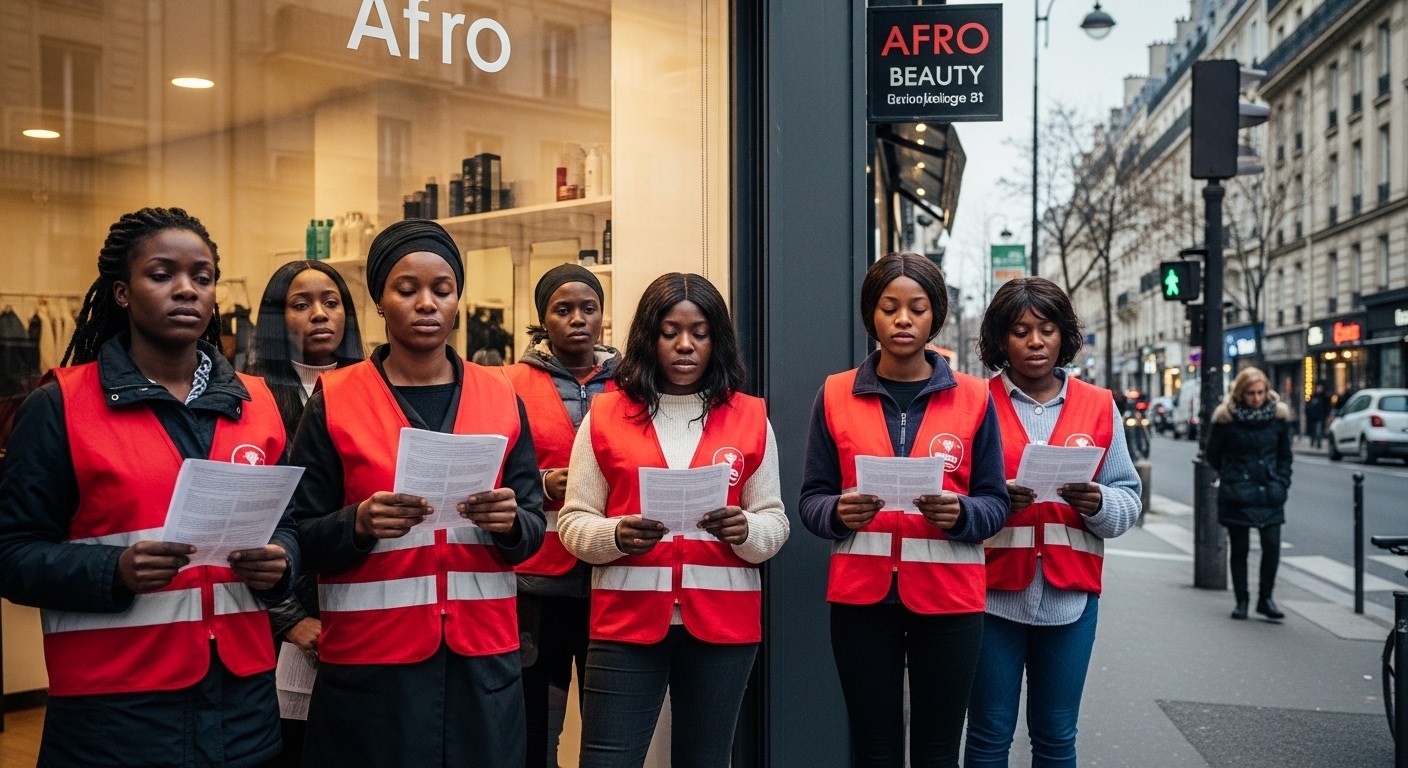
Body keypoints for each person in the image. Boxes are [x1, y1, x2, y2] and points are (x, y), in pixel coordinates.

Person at [0, 207, 296, 767]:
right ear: (121, 292)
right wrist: (112, 570)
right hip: (115, 716)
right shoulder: (60, 406)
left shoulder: (258, 403)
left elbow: (289, 525)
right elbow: (11, 554)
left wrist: (283, 561)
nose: (186, 290)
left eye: (202, 277)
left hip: (243, 708)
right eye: (162, 275)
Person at [291, 219, 545, 767]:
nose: (427, 303)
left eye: (442, 290)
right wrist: (357, 524)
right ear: (379, 302)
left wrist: (511, 523)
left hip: (481, 663)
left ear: (457, 300)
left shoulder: (501, 395)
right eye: (407, 290)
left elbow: (532, 529)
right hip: (374, 668)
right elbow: (296, 535)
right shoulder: (336, 399)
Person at [557, 272, 788, 768]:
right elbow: (573, 523)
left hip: (723, 626)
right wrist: (616, 535)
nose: (685, 345)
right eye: (670, 333)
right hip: (625, 623)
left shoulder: (750, 417)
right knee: (606, 760)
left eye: (700, 333)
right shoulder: (605, 415)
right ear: (649, 337)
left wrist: (746, 530)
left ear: (716, 340)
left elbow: (775, 522)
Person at [799, 252, 1010, 768]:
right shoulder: (835, 394)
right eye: (889, 307)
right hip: (862, 602)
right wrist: (838, 513)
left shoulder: (975, 397)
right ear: (870, 314)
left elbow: (995, 503)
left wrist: (962, 515)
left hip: (950, 602)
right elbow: (811, 499)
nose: (902, 320)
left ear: (935, 315)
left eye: (917, 308)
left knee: (938, 752)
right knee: (874, 750)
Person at [962, 277, 1142, 768]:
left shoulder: (1100, 405)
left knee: (1057, 736)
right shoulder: (976, 403)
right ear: (1001, 340)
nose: (1035, 342)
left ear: (1064, 334)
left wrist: (1098, 502)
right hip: (991, 596)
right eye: (1020, 331)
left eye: (1046, 329)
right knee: (988, 734)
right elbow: (954, 503)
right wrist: (994, 502)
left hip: (1070, 599)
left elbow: (1128, 500)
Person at [247, 259, 365, 766]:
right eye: (302, 304)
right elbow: (250, 522)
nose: (320, 314)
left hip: (363, 604)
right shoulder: (251, 398)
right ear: (278, 318)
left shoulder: (373, 391)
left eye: (331, 302)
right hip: (282, 611)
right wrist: (289, 619)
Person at [506, 264, 619, 767]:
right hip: (537, 586)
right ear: (542, 319)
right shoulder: (509, 383)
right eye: (563, 309)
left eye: (588, 308)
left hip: (612, 579)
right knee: (537, 726)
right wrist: (538, 483)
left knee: (608, 727)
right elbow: (494, 468)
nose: (578, 319)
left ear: (601, 316)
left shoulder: (633, 384)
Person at [1206, 366, 1293, 622]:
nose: (1256, 398)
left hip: (1269, 491)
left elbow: (1285, 456)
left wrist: (1281, 481)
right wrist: (1233, 476)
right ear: (1240, 393)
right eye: (1251, 393)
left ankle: (1266, 599)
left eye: (1260, 392)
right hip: (1239, 492)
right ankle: (1241, 601)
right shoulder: (1226, 419)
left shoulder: (1277, 418)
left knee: (1272, 546)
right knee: (1240, 548)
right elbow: (1213, 454)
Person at [1305, 382, 1330, 449]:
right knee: (1313, 431)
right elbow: (1308, 405)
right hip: (1313, 417)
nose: (1319, 389)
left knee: (1318, 431)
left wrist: (1325, 415)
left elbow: (1327, 407)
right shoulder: (1313, 396)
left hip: (1320, 417)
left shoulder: (1324, 397)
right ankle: (1312, 442)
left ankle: (1319, 444)